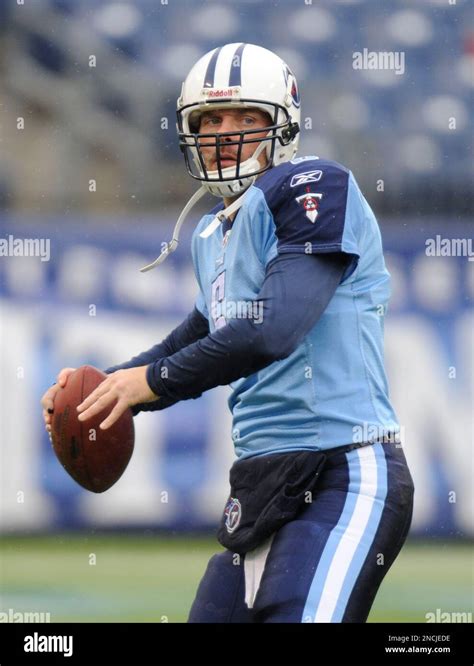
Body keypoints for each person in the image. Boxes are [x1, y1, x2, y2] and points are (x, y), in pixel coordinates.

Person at [41, 43, 414, 623]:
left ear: (281, 126)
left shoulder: (314, 185)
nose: (225, 133)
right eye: (210, 120)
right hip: (262, 487)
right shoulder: (213, 233)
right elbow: (191, 340)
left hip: (342, 473)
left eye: (247, 118)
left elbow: (274, 329)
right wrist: (101, 392)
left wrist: (151, 382)